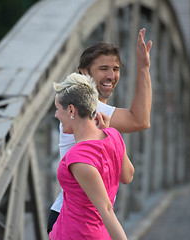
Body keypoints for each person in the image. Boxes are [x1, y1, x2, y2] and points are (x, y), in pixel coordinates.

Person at [47, 28, 152, 233]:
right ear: (85, 72)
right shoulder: (85, 110)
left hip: (89, 219)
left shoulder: (102, 121)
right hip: (73, 219)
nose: (111, 75)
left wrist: (113, 138)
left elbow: (127, 175)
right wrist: (144, 68)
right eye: (104, 68)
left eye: (116, 68)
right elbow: (140, 120)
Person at [49, 73, 134, 239]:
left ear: (71, 110)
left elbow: (107, 209)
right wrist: (109, 133)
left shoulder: (78, 157)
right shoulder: (113, 135)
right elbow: (127, 176)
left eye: (58, 109)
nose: (56, 115)